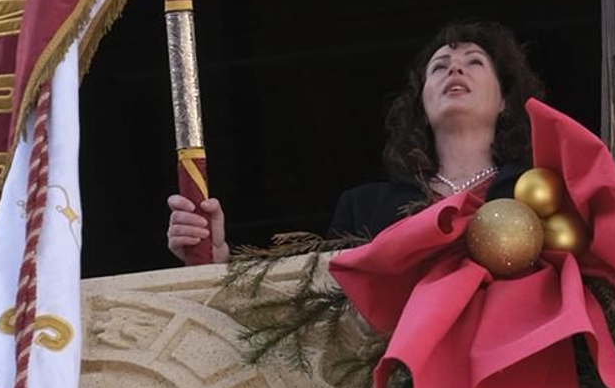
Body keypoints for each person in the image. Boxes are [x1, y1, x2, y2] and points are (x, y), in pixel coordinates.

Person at [165, 20, 542, 262]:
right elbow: (314, 306)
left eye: (474, 62)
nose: (455, 68)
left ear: (505, 101)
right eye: (439, 67)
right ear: (422, 105)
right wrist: (217, 258)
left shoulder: (540, 189)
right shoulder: (364, 208)